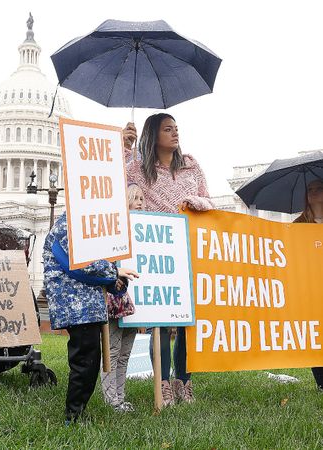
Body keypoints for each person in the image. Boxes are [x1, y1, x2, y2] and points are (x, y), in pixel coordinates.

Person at [123, 113, 213, 406]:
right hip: (156, 250)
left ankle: (184, 382)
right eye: (167, 129)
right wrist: (125, 146)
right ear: (154, 134)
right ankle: (162, 382)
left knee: (187, 321)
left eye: (176, 128)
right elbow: (115, 182)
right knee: (160, 320)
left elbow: (208, 200)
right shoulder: (138, 168)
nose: (175, 133)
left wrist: (194, 203)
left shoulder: (191, 164)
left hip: (188, 249)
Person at [43, 212, 138, 423]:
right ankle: (73, 416)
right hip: (74, 304)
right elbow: (79, 263)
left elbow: (91, 269)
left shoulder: (82, 224)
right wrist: (115, 270)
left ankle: (78, 412)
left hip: (87, 305)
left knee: (91, 361)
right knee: (84, 361)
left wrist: (114, 282)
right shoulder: (67, 223)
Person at [100, 183, 145, 412]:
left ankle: (120, 396)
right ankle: (111, 400)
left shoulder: (146, 232)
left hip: (135, 301)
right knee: (113, 351)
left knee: (125, 353)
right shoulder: (112, 229)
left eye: (141, 198)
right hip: (115, 297)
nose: (139, 202)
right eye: (134, 198)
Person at [293, 178, 323, 391]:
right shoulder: (298, 224)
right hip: (310, 286)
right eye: (310, 190)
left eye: (318, 189)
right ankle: (321, 382)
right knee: (315, 334)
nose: (313, 193)